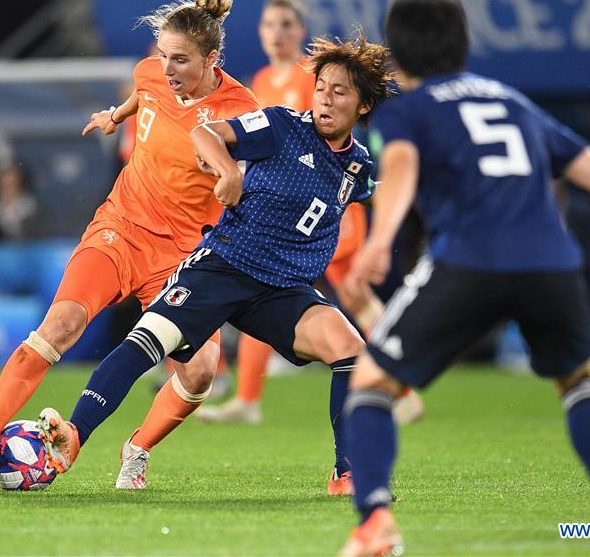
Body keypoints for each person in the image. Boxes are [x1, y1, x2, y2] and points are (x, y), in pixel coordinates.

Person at [339, 0, 590, 557]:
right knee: (580, 381)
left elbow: (402, 167)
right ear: (463, 43)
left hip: (467, 262)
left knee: (371, 385)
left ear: (397, 57)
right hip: (551, 267)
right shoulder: (512, 100)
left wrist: (379, 241)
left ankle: (376, 522)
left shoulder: (407, 109)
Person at [37, 32, 393, 496]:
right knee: (151, 341)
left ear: (362, 106)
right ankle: (76, 433)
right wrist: (227, 170)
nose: (324, 99)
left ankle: (346, 473)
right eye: (321, 87)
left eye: (339, 92)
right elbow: (204, 132)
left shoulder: (357, 166)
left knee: (350, 348)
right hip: (225, 265)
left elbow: (382, 191)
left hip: (283, 290)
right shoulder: (282, 126)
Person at [0, 0, 260, 482]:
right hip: (120, 228)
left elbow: (257, 168)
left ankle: (137, 447)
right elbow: (145, 96)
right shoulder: (150, 74)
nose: (167, 69)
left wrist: (233, 181)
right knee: (61, 325)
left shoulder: (241, 106)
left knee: (202, 370)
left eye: (180, 60)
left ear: (212, 59)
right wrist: (114, 116)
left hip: (182, 256)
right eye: (163, 56)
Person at [196, 0, 423, 426]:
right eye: (268, 24)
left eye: (285, 25)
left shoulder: (312, 77)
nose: (276, 33)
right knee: (285, 291)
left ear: (300, 31)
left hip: (327, 215)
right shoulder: (262, 80)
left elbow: (340, 145)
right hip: (285, 216)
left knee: (330, 295)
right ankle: (248, 397)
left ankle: (402, 388)